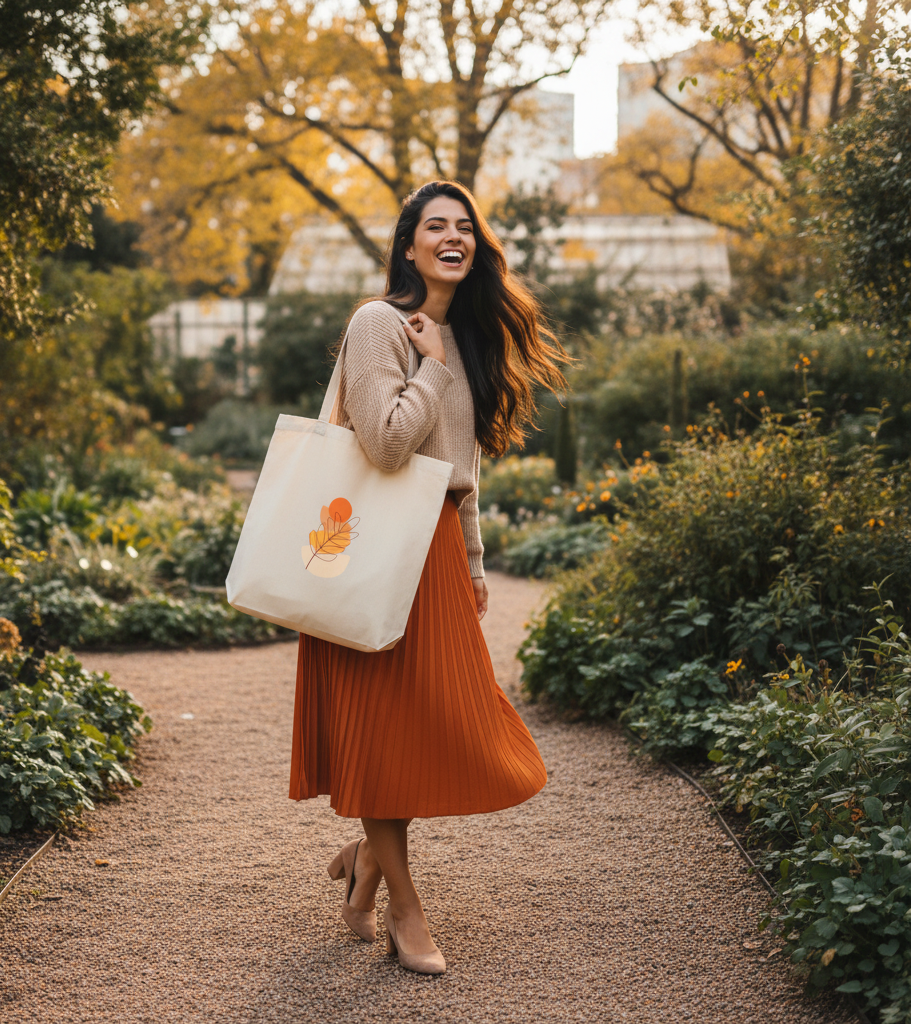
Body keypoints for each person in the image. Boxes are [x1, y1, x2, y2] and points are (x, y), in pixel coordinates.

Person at [289, 180, 568, 974]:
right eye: (435, 225)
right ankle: (404, 912)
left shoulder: (459, 339)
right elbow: (383, 446)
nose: (454, 236)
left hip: (437, 551)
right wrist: (434, 368)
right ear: (409, 245)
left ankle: (366, 863)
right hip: (374, 549)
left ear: (476, 248)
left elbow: (459, 468)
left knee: (428, 727)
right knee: (387, 730)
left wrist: (474, 563)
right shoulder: (380, 324)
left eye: (465, 227)